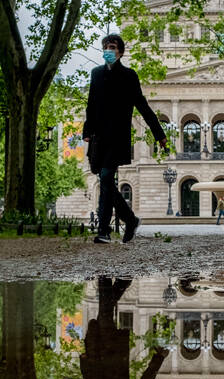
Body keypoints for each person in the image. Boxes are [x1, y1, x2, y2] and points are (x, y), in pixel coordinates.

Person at [83, 34, 167, 244]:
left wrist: (159, 135)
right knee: (104, 180)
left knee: (105, 176)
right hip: (98, 138)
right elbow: (91, 104)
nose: (108, 51)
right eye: (105, 47)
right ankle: (130, 219)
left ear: (120, 51)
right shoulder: (96, 73)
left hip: (117, 138)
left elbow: (142, 106)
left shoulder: (129, 76)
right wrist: (87, 129)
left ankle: (103, 232)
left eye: (111, 47)